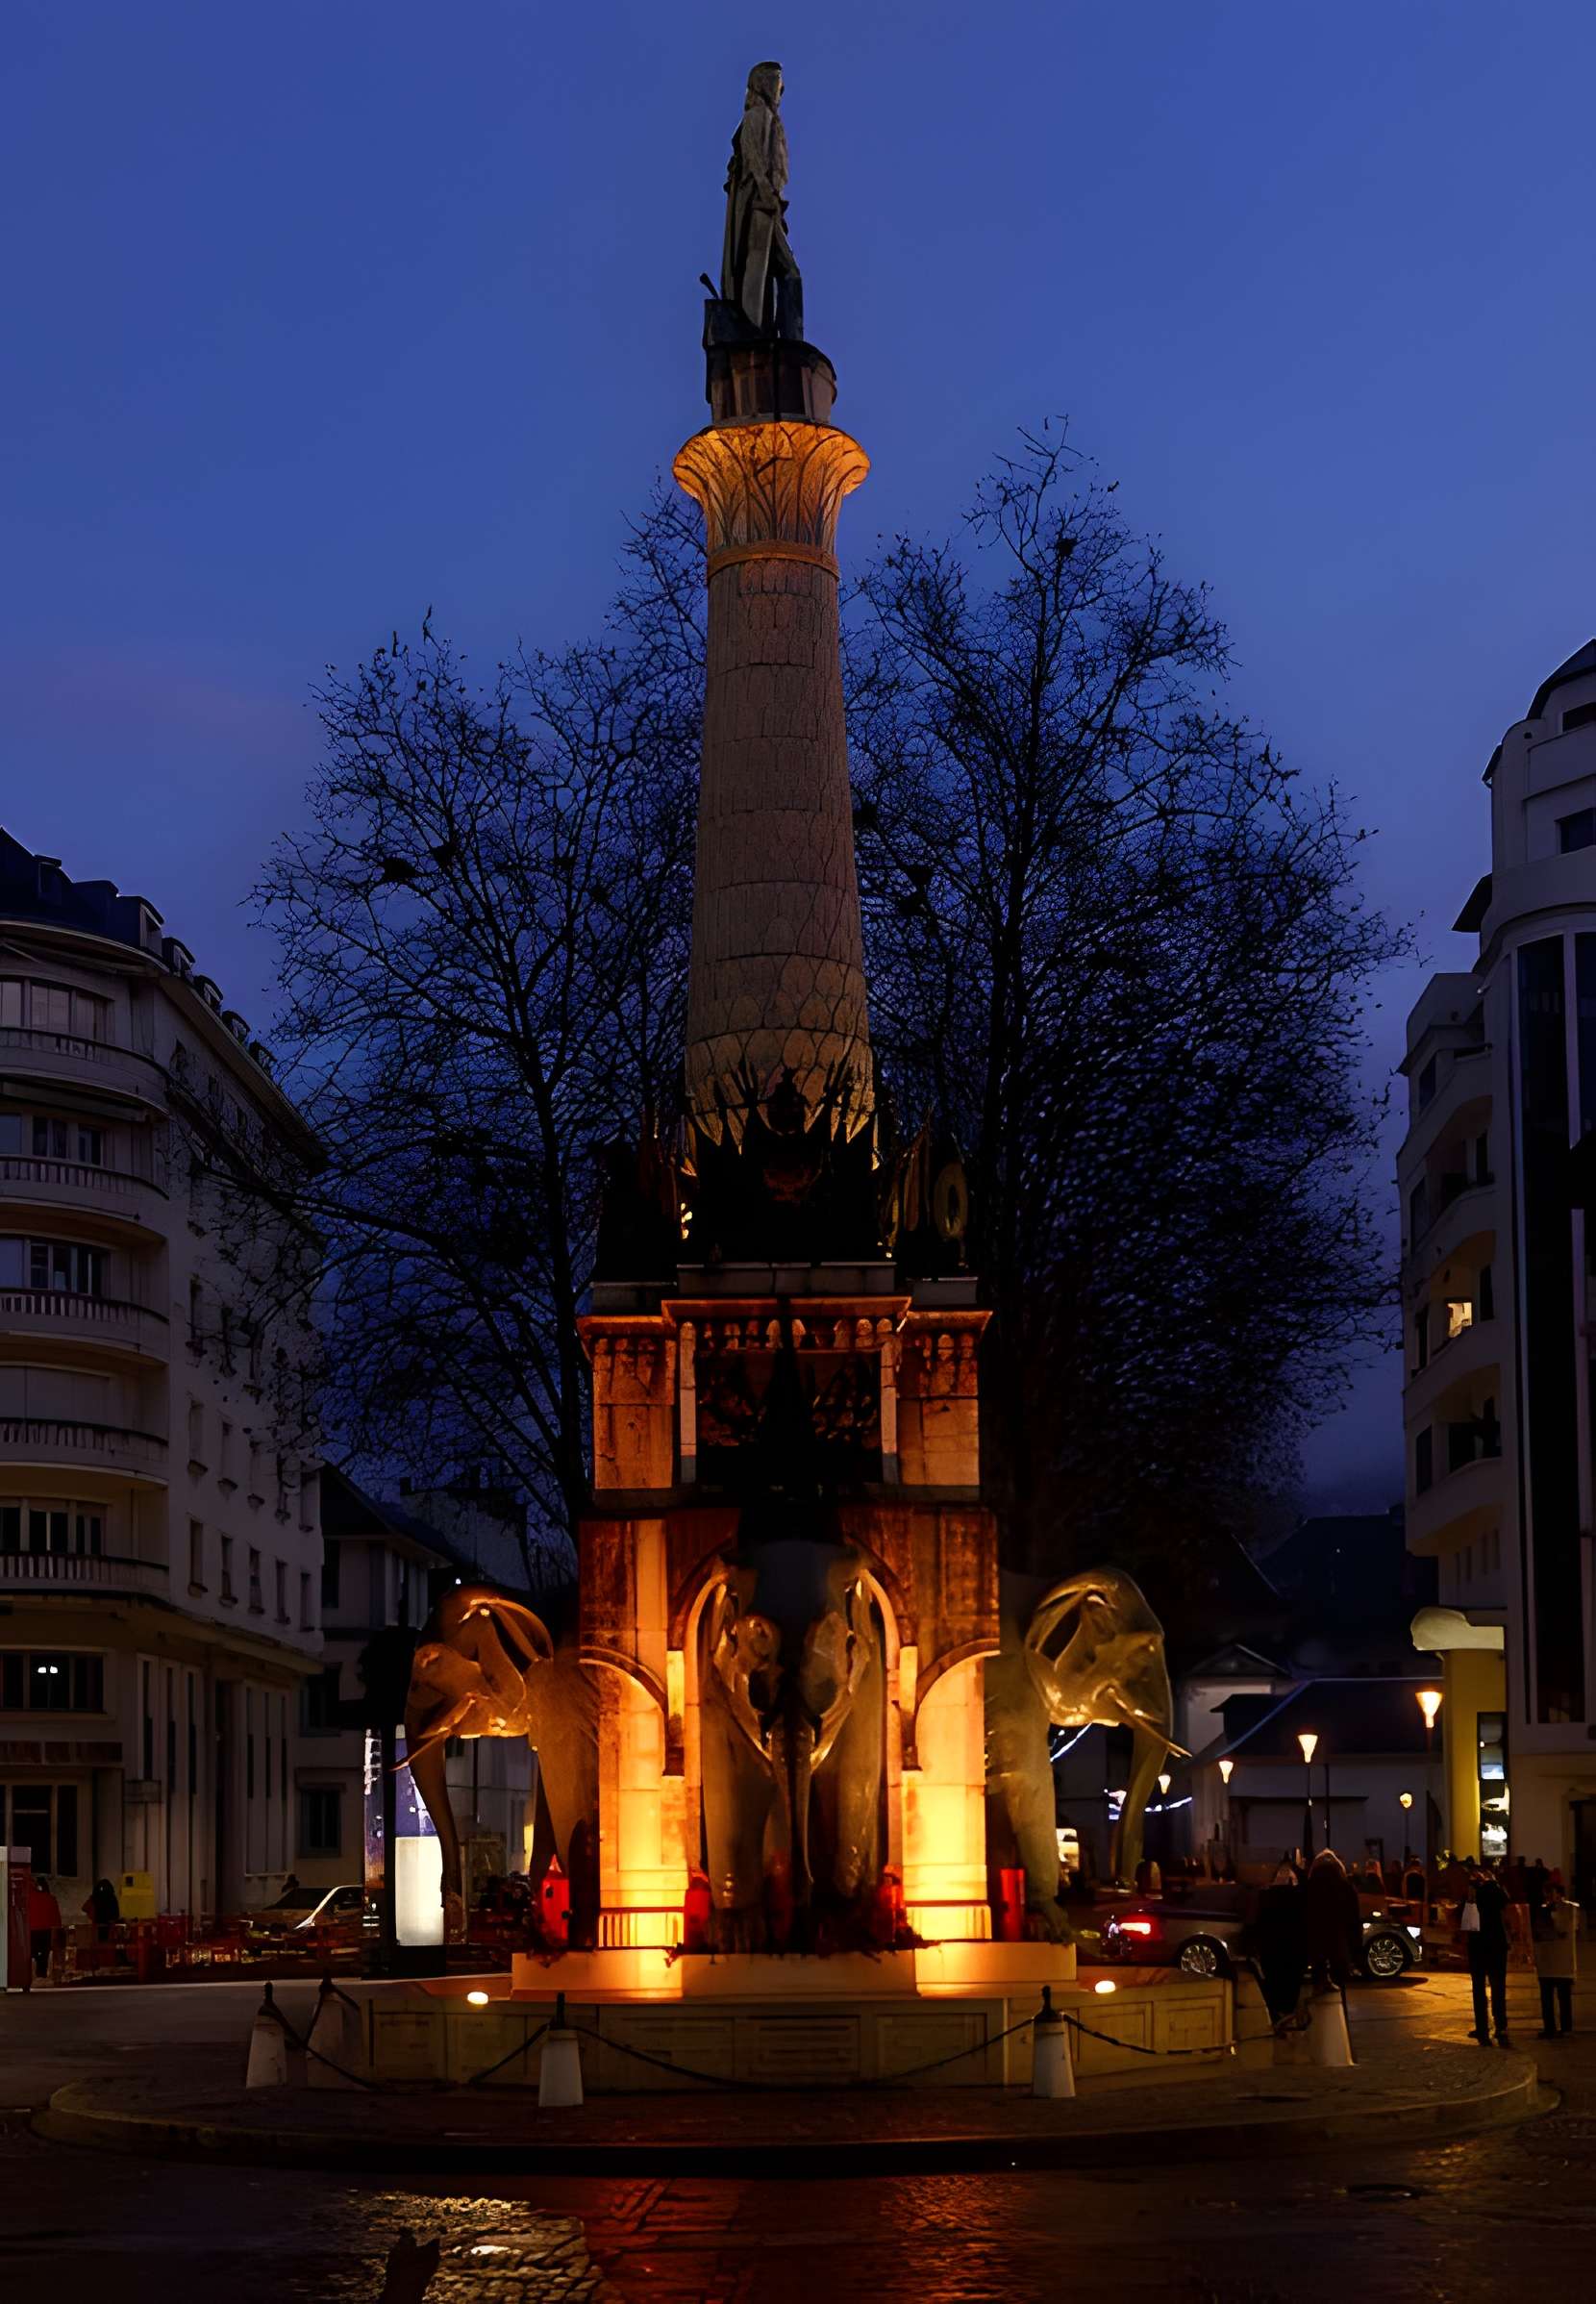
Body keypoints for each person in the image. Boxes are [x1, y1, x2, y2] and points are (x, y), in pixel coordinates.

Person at [1249, 1861, 1308, 2027]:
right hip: (1293, 1950)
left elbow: (1259, 1923)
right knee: (1289, 1986)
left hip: (1273, 1950)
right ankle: (1286, 2014)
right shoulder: (1300, 1896)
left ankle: (1278, 2015)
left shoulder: (1266, 1897)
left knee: (1275, 1986)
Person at [1460, 1862, 1512, 2045]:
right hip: (1497, 1945)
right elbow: (1505, 1903)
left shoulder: (1473, 1892)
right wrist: (1492, 1882)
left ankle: (1482, 2027)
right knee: (1498, 1987)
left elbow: (1462, 1914)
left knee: (1479, 1988)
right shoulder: (1496, 1890)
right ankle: (1501, 2026)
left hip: (1478, 1945)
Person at [1303, 1849, 1361, 1994]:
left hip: (1315, 1937)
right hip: (1337, 1938)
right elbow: (1353, 1919)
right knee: (1339, 1980)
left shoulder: (1308, 1888)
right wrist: (1355, 1949)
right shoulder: (1346, 1888)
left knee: (1319, 1965)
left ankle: (1320, 1984)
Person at [1534, 1878, 1581, 2038]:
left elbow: (1562, 1930)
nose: (1547, 1896)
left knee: (1563, 1998)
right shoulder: (1543, 1910)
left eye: (1550, 1892)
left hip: (1562, 1962)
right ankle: (1550, 2028)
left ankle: (1565, 2028)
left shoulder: (1568, 1909)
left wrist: (1551, 1912)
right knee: (1547, 1999)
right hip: (1546, 1962)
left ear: (1559, 1894)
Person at [28, 1870, 62, 1979]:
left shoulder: (26, 1899)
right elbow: (56, 1918)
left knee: (29, 1954)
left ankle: (28, 1976)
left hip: (29, 1930)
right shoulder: (50, 1898)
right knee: (43, 1956)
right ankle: (41, 1975)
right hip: (45, 1931)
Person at [83, 1877, 120, 1943]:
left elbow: (84, 1908)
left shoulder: (95, 1898)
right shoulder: (112, 1898)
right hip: (108, 1928)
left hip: (99, 1929)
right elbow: (116, 1915)